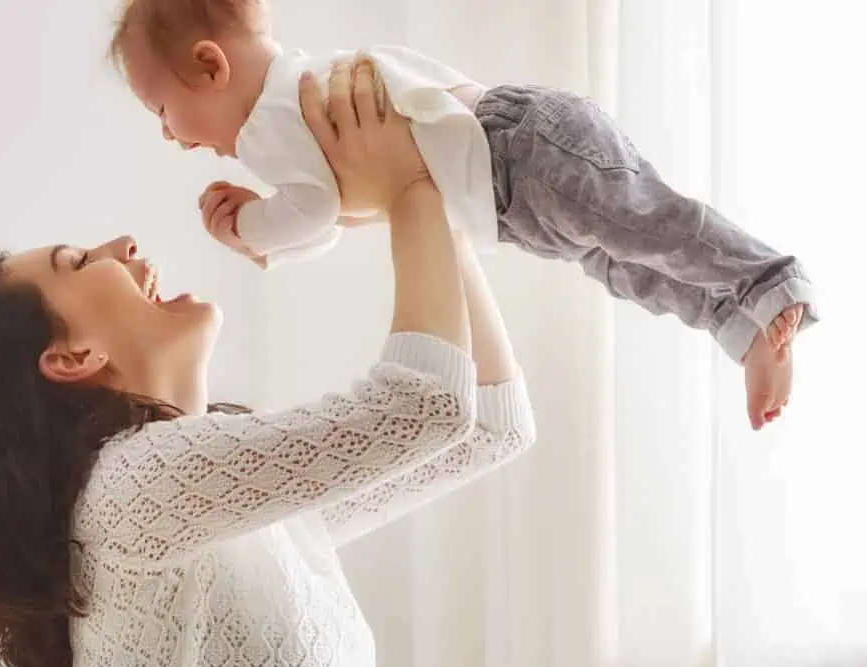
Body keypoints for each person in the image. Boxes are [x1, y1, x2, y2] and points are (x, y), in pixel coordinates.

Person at [0, 55, 685, 667]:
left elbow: (486, 427)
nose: (124, 246)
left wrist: (435, 193)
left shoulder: (241, 508)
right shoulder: (128, 491)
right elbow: (423, 409)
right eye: (82, 261)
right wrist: (408, 185)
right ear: (72, 356)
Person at [109, 0, 813, 430]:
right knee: (628, 263)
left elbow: (314, 210)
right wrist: (274, 229)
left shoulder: (271, 121)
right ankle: (737, 326)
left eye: (162, 111)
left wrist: (249, 228)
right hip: (514, 193)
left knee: (647, 228)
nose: (171, 135)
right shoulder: (296, 95)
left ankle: (768, 284)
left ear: (210, 66)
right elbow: (331, 215)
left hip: (521, 152)